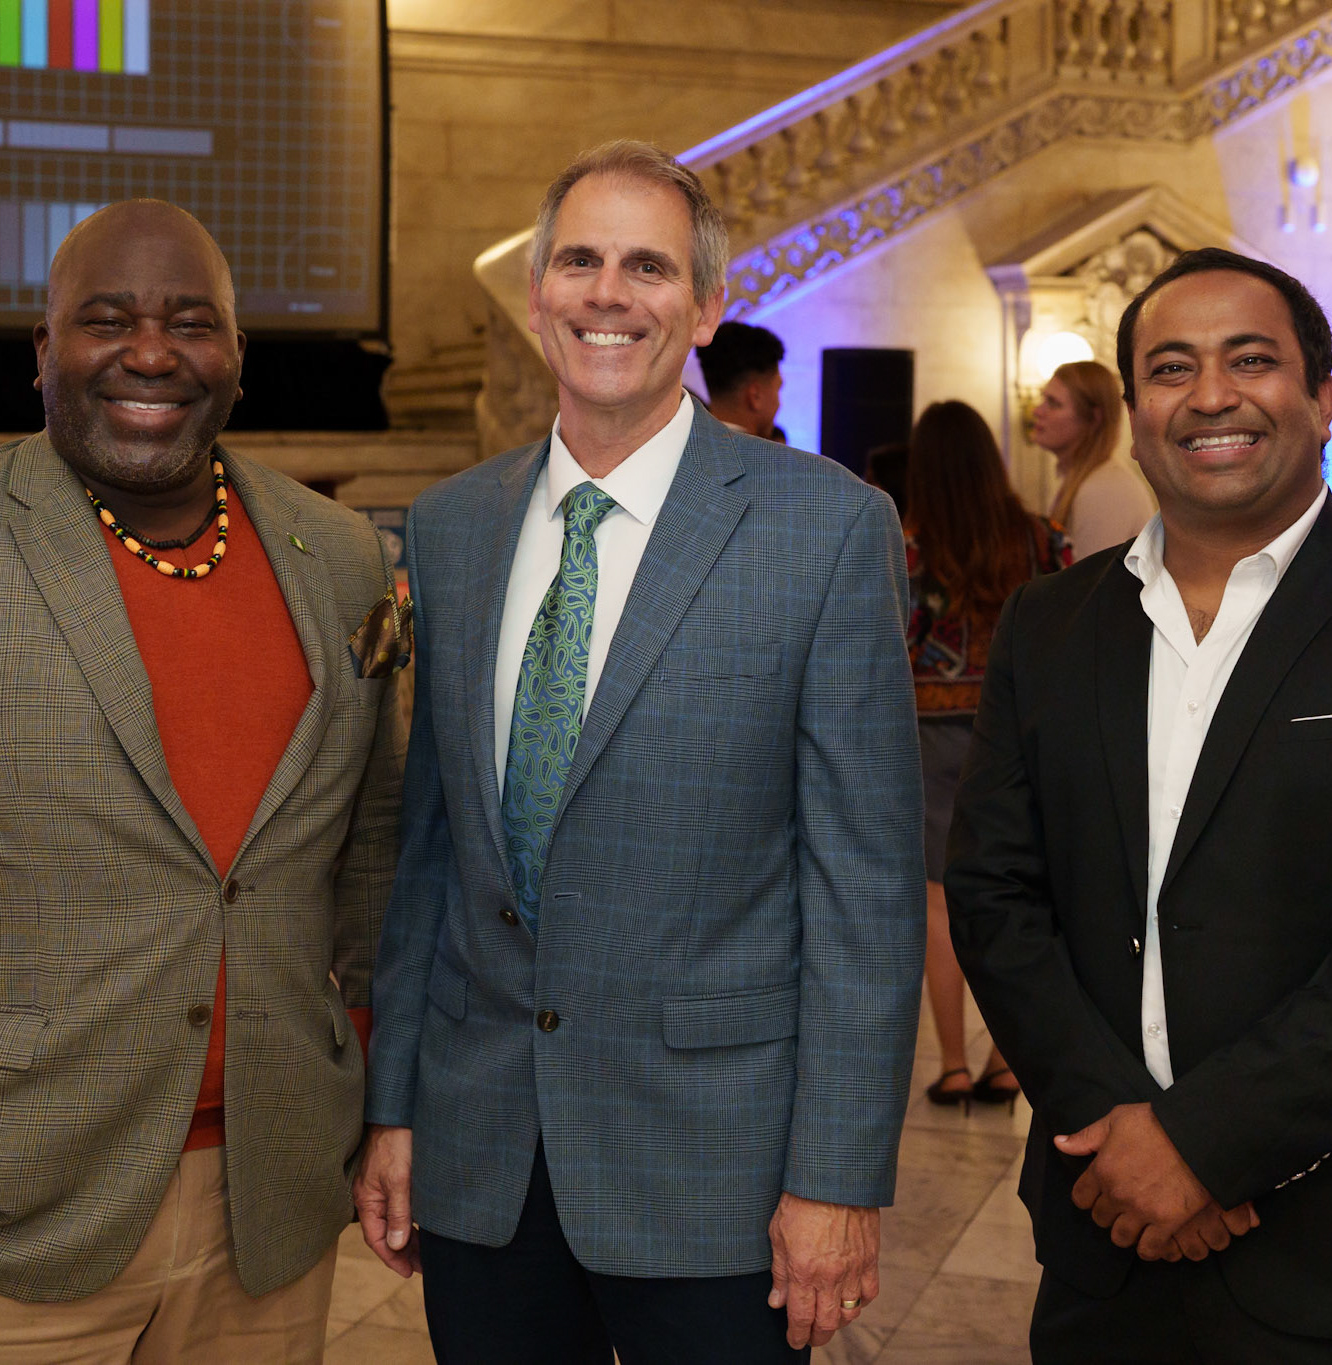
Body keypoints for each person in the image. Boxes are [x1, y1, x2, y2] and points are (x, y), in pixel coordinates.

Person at [355, 139, 925, 1363]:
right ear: (536, 294)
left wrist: (836, 1177)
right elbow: (431, 856)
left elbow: (866, 889)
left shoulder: (826, 529)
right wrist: (395, 1106)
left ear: (706, 306)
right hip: (482, 1154)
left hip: (718, 1174)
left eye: (648, 267)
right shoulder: (452, 529)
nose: (608, 294)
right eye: (580, 261)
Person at [0, 200, 406, 1363]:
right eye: (108, 319)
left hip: (270, 1202)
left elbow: (369, 850)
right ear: (44, 349)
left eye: (191, 323)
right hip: (8, 1208)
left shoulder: (340, 555)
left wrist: (375, 1089)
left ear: (238, 358)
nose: (152, 353)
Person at [945, 245, 1332, 1362]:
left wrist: (1205, 1143)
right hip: (1100, 1230)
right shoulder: (1049, 624)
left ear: (1321, 396)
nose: (1210, 395)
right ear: (1136, 412)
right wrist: (1120, 1134)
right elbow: (994, 891)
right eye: (1171, 368)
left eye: (1250, 360)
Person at [903, 401, 1069, 1113]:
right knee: (1017, 890)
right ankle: (1005, 1060)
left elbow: (894, 642)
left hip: (930, 737)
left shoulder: (908, 548)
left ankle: (949, 1065)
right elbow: (1066, 630)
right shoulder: (1041, 538)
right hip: (1020, 728)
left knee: (939, 902)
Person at [1035, 359, 1154, 558]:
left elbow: (1092, 576)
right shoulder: (1085, 480)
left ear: (1093, 418)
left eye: (1053, 404)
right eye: (1043, 399)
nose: (1037, 411)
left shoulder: (1105, 489)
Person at [696, 318, 785, 438]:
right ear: (755, 396)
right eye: (778, 389)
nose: (779, 404)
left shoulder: (684, 443)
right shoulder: (761, 450)